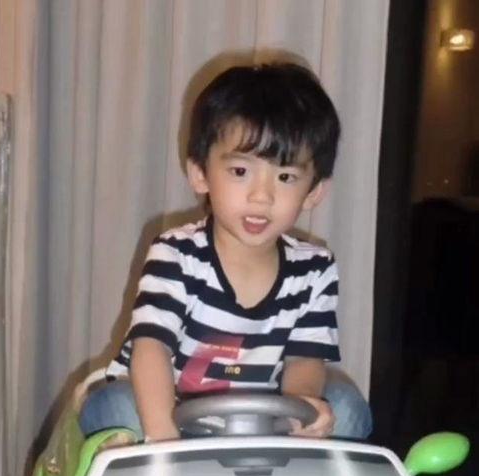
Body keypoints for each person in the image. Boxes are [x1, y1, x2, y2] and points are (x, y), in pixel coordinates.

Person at [80, 61, 372, 442]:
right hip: (164, 412)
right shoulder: (176, 254)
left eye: (285, 177)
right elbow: (151, 349)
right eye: (240, 172)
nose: (262, 196)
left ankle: (296, 475)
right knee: (116, 408)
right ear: (200, 174)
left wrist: (302, 409)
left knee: (346, 407)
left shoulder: (315, 269)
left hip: (257, 418)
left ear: (314, 192)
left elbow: (305, 358)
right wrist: (165, 439)